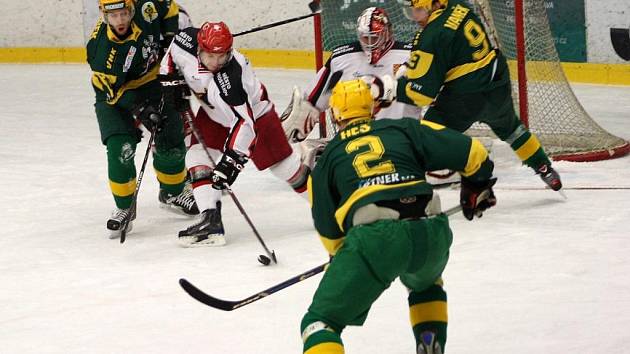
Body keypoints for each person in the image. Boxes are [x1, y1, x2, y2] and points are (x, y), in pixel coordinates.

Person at [301, 79, 497, 353]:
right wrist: (477, 185)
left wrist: (339, 258)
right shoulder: (403, 128)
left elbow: (329, 229)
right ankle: (430, 343)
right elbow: (473, 153)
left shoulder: (328, 158)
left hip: (376, 240)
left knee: (321, 322)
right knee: (427, 285)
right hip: (430, 231)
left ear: (335, 115)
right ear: (372, 108)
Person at [370, 0, 562, 191]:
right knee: (512, 129)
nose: (415, 17)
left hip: (465, 98)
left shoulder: (430, 35)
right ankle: (544, 168)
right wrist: (413, 68)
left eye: (418, 10)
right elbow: (454, 53)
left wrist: (392, 89)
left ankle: (408, 180)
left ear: (434, 5)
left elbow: (421, 95)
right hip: (497, 81)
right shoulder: (459, 6)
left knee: (427, 134)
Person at [160, 22, 321, 247]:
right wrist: (170, 82)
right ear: (199, 48)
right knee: (196, 157)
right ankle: (210, 221)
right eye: (210, 56)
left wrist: (232, 161)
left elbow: (245, 124)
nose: (216, 63)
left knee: (286, 169)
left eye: (222, 57)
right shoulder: (186, 39)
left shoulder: (233, 77)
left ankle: (331, 207)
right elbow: (171, 55)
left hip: (256, 118)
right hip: (215, 115)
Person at [87, 0, 198, 239]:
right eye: (114, 16)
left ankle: (173, 191)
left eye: (124, 14)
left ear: (132, 10)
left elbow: (169, 8)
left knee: (171, 132)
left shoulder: (147, 7)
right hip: (114, 97)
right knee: (120, 147)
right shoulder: (101, 48)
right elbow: (111, 90)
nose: (120, 21)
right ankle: (124, 206)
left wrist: (169, 37)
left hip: (151, 82)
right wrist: (141, 108)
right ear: (104, 15)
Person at [281, 7, 423, 143]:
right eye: (364, 37)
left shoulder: (411, 55)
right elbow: (313, 102)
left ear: (387, 32)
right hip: (353, 141)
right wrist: (299, 120)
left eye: (373, 38)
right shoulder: (342, 58)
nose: (369, 43)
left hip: (402, 139)